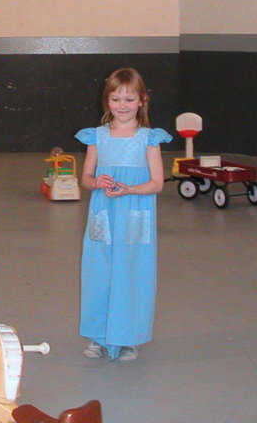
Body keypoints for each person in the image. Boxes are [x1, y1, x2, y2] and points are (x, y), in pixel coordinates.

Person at [75, 67, 171, 361]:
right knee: (99, 271)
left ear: (142, 101)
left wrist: (129, 190)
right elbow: (86, 179)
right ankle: (100, 335)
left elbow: (157, 184)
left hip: (134, 214)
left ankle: (129, 337)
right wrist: (96, 182)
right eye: (116, 99)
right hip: (103, 214)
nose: (122, 106)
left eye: (129, 99)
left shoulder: (148, 139)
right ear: (107, 101)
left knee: (132, 272)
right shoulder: (97, 137)